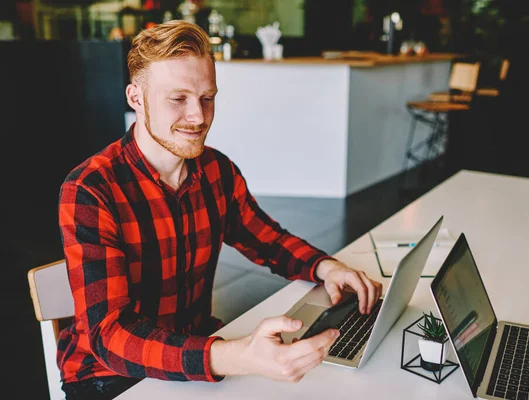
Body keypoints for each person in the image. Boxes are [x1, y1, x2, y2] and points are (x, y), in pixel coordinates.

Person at [57, 20, 383, 400]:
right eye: (177, 99)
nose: (198, 117)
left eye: (207, 98)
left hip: (197, 349)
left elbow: (268, 240)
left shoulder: (217, 170)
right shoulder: (91, 190)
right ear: (136, 97)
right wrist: (236, 355)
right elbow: (109, 337)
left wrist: (328, 267)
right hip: (109, 376)